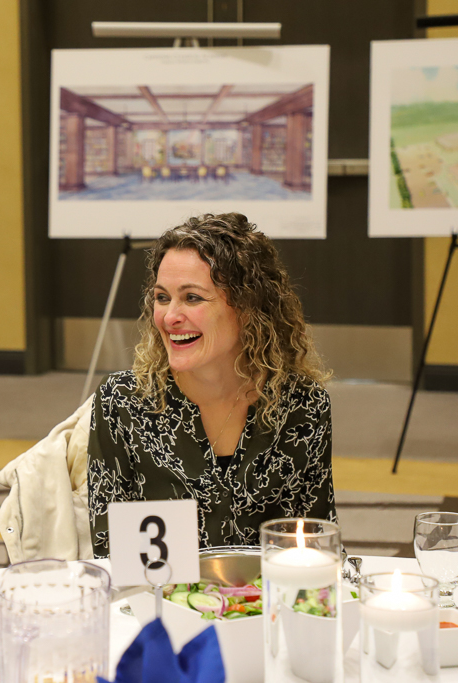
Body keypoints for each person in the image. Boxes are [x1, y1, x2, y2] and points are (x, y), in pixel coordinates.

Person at [87, 213, 336, 557]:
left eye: (192, 298)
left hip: (266, 604)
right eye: (162, 297)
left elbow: (316, 545)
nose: (170, 317)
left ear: (248, 307)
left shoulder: (301, 406)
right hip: (159, 603)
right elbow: (113, 552)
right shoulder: (124, 403)